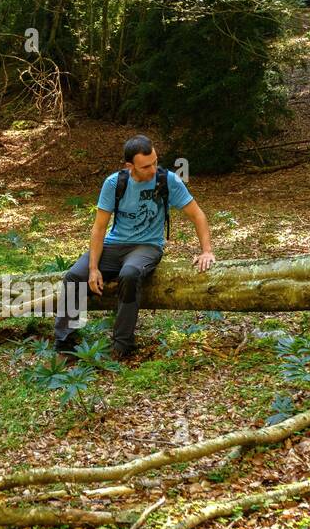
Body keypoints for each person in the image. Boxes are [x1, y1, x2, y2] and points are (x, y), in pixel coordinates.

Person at [54, 134, 216, 361]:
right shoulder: (114, 183)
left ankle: (122, 345)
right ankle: (65, 345)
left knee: (129, 274)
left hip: (147, 246)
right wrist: (93, 268)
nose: (153, 169)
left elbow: (197, 214)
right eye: (146, 166)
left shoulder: (169, 180)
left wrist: (206, 250)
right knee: (74, 276)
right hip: (115, 244)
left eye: (155, 162)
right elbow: (99, 228)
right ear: (129, 166)